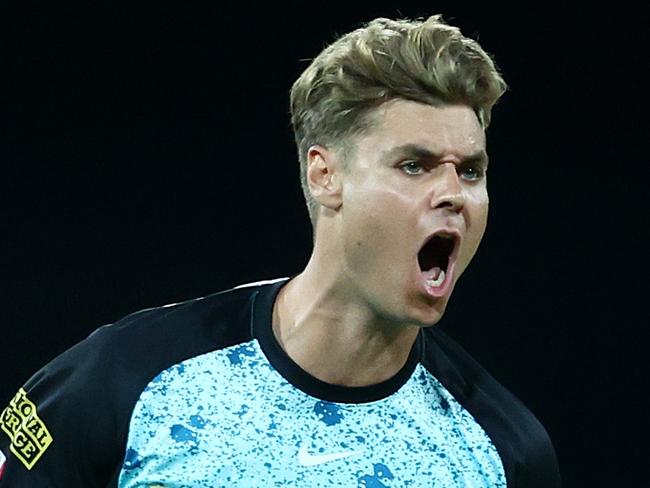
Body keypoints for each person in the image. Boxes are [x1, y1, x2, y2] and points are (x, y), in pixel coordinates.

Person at [0, 14, 561, 487]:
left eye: (470, 171)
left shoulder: (504, 453)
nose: (452, 195)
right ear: (325, 175)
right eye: (413, 165)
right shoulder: (127, 379)